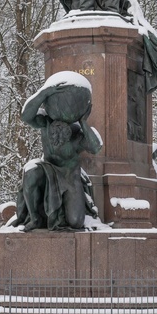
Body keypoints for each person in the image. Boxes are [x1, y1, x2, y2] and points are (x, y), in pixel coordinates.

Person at [15, 73, 103, 231]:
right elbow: (26, 116)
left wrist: (83, 122)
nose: (55, 135)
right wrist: (44, 93)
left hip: (70, 175)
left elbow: (96, 147)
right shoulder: (45, 123)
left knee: (75, 221)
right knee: (31, 172)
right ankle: (35, 218)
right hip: (48, 169)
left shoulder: (77, 133)